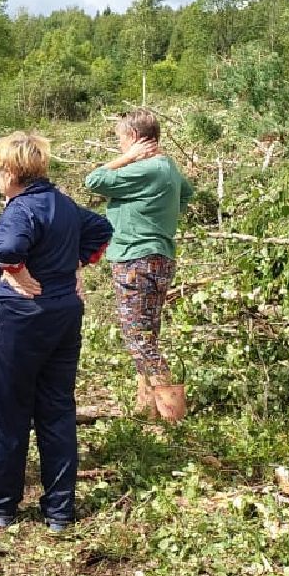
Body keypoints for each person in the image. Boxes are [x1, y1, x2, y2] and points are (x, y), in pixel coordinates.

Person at [0, 132, 113, 532]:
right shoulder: (64, 204)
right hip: (64, 315)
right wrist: (74, 267)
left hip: (21, 319)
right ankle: (59, 509)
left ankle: (3, 504)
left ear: (10, 172)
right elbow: (100, 230)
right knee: (57, 408)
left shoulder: (21, 210)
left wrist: (15, 271)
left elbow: (5, 249)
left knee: (7, 408)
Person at [83, 108, 194, 422]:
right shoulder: (167, 166)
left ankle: (175, 421)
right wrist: (161, 218)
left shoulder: (146, 169)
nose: (119, 145)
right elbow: (187, 193)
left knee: (139, 340)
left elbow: (94, 179)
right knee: (147, 336)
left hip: (136, 258)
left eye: (121, 139)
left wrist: (125, 158)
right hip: (157, 257)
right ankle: (147, 415)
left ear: (133, 138)